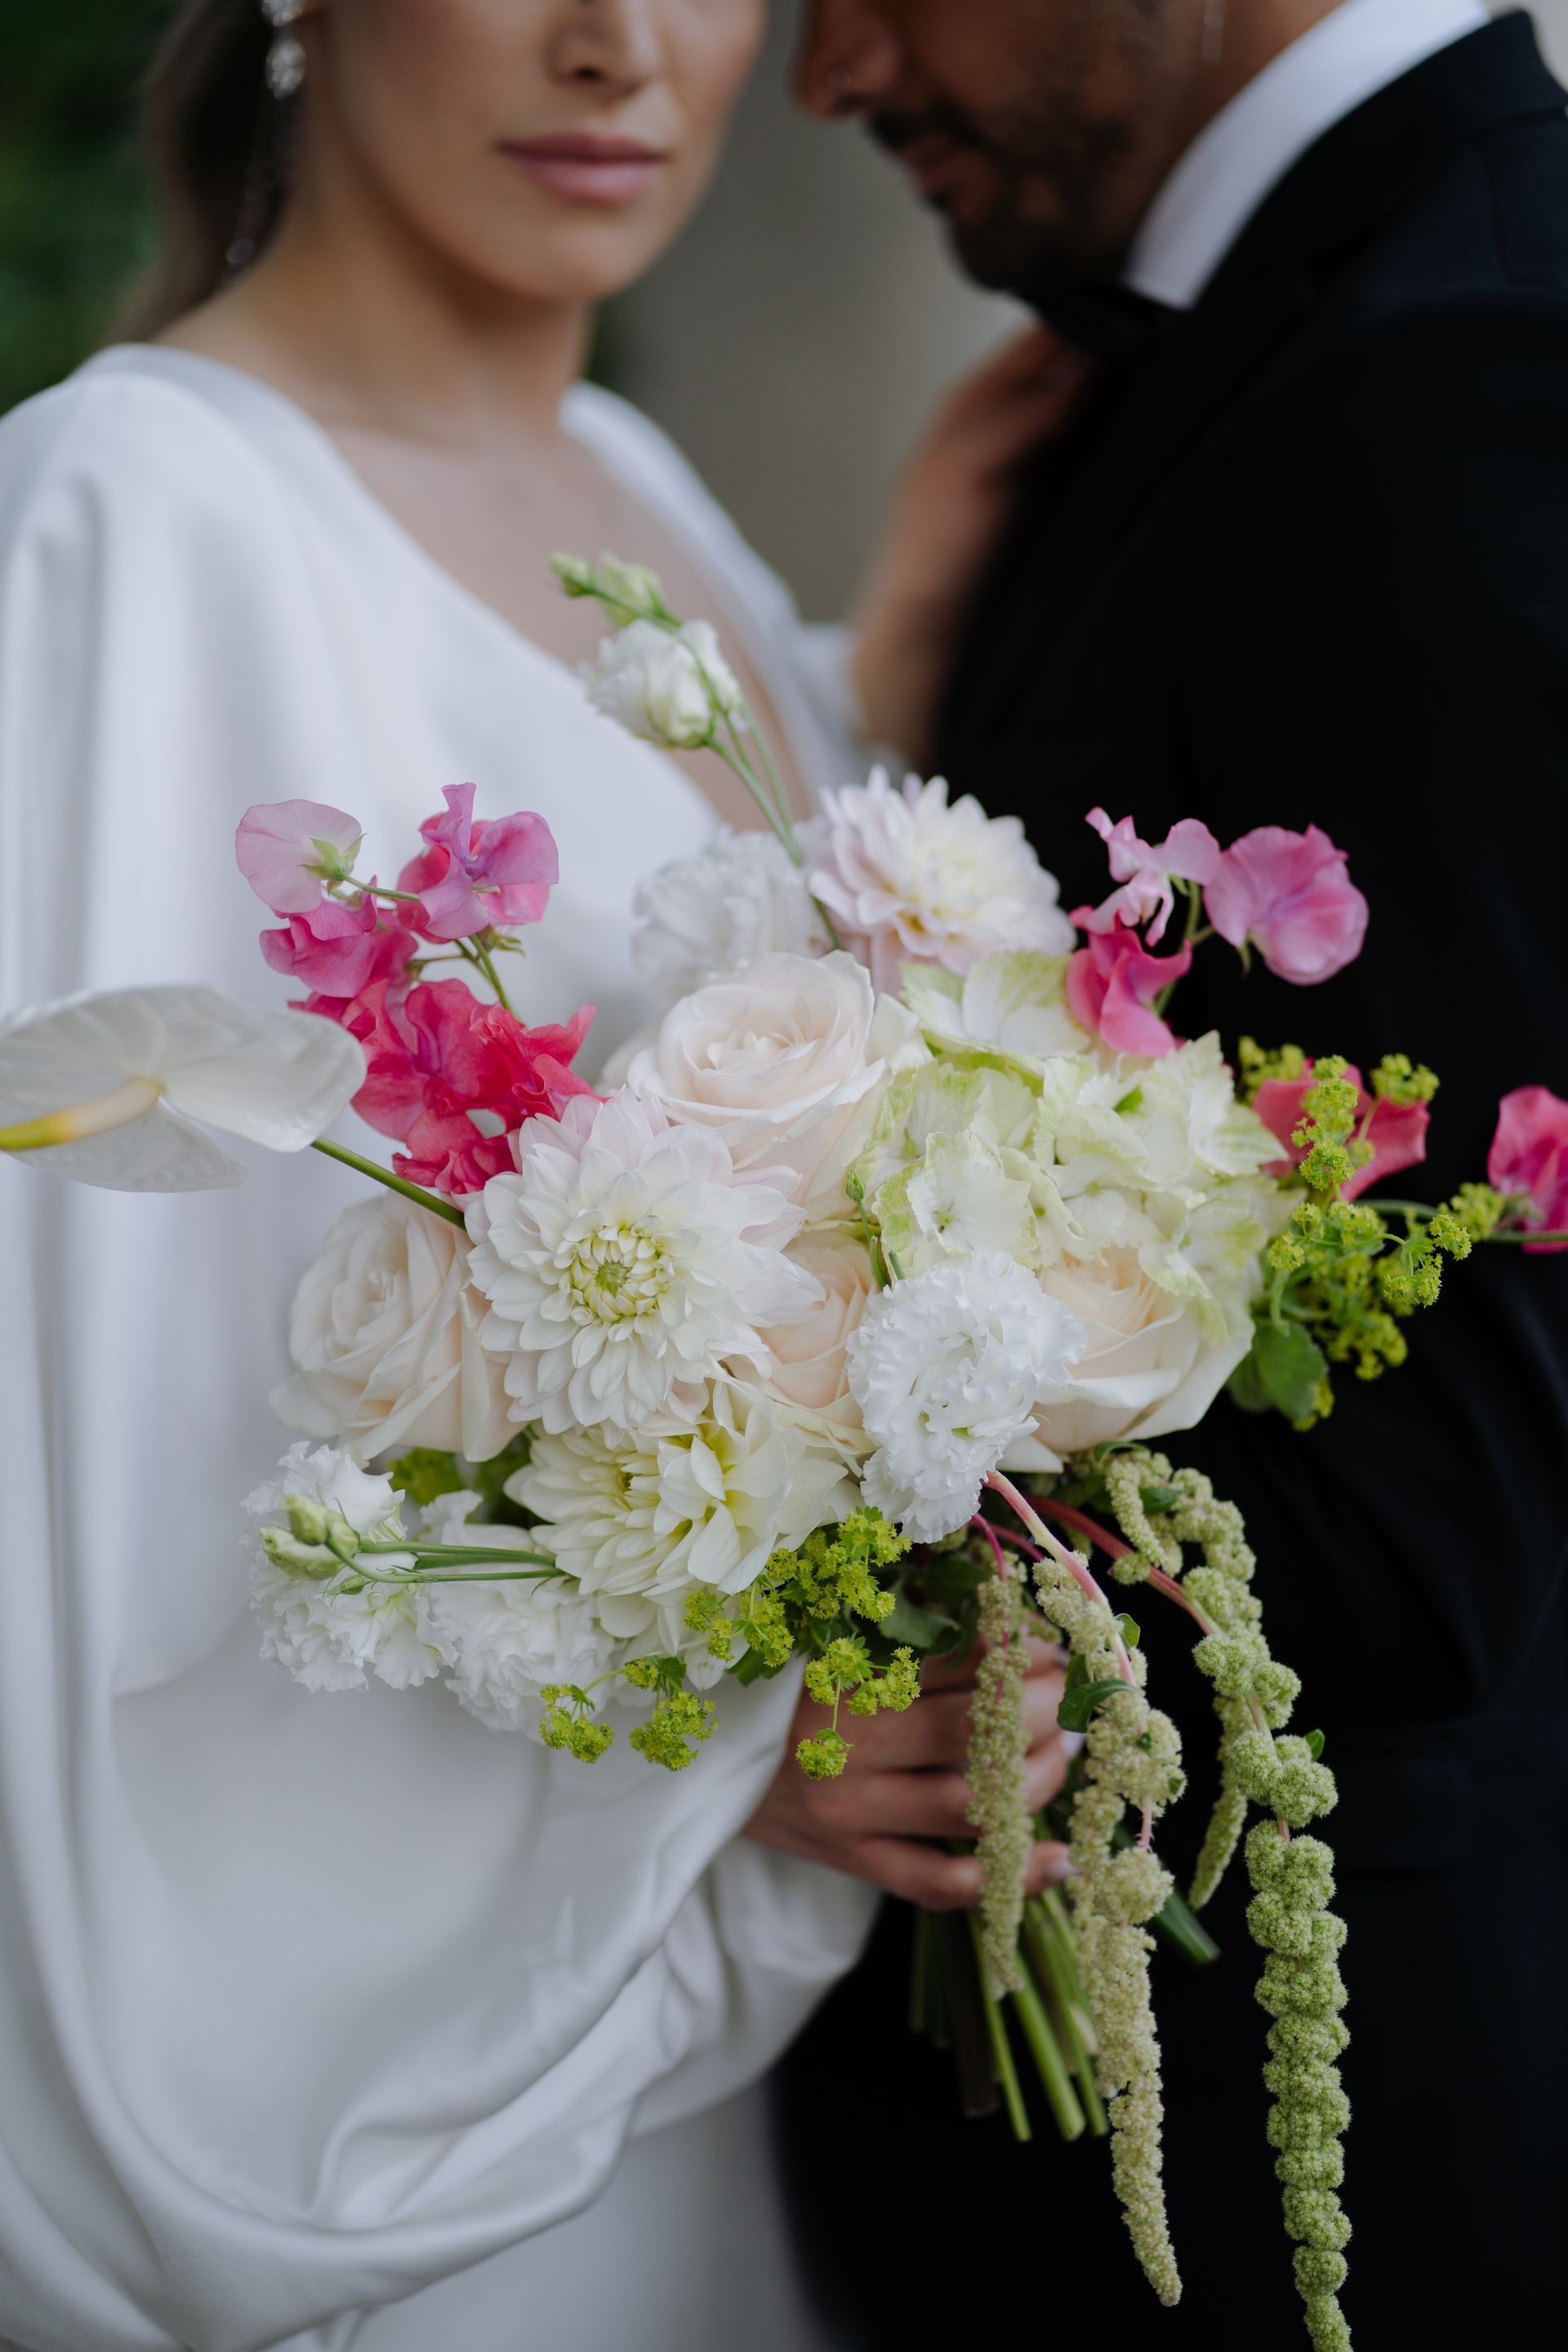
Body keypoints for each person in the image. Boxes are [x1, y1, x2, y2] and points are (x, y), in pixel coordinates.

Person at [0, 5, 1083, 2348]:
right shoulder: (130, 520)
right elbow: (100, 1480)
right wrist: (724, 1763)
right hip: (425, 2058)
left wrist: (862, 679)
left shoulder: (630, 478)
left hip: (724, 2117)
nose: (617, 48)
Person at [782, 0, 1568, 2343]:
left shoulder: (1452, 378)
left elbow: (1431, 1511)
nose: (825, 75)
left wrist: (766, 1655)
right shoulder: (1238, 351)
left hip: (1255, 2167)